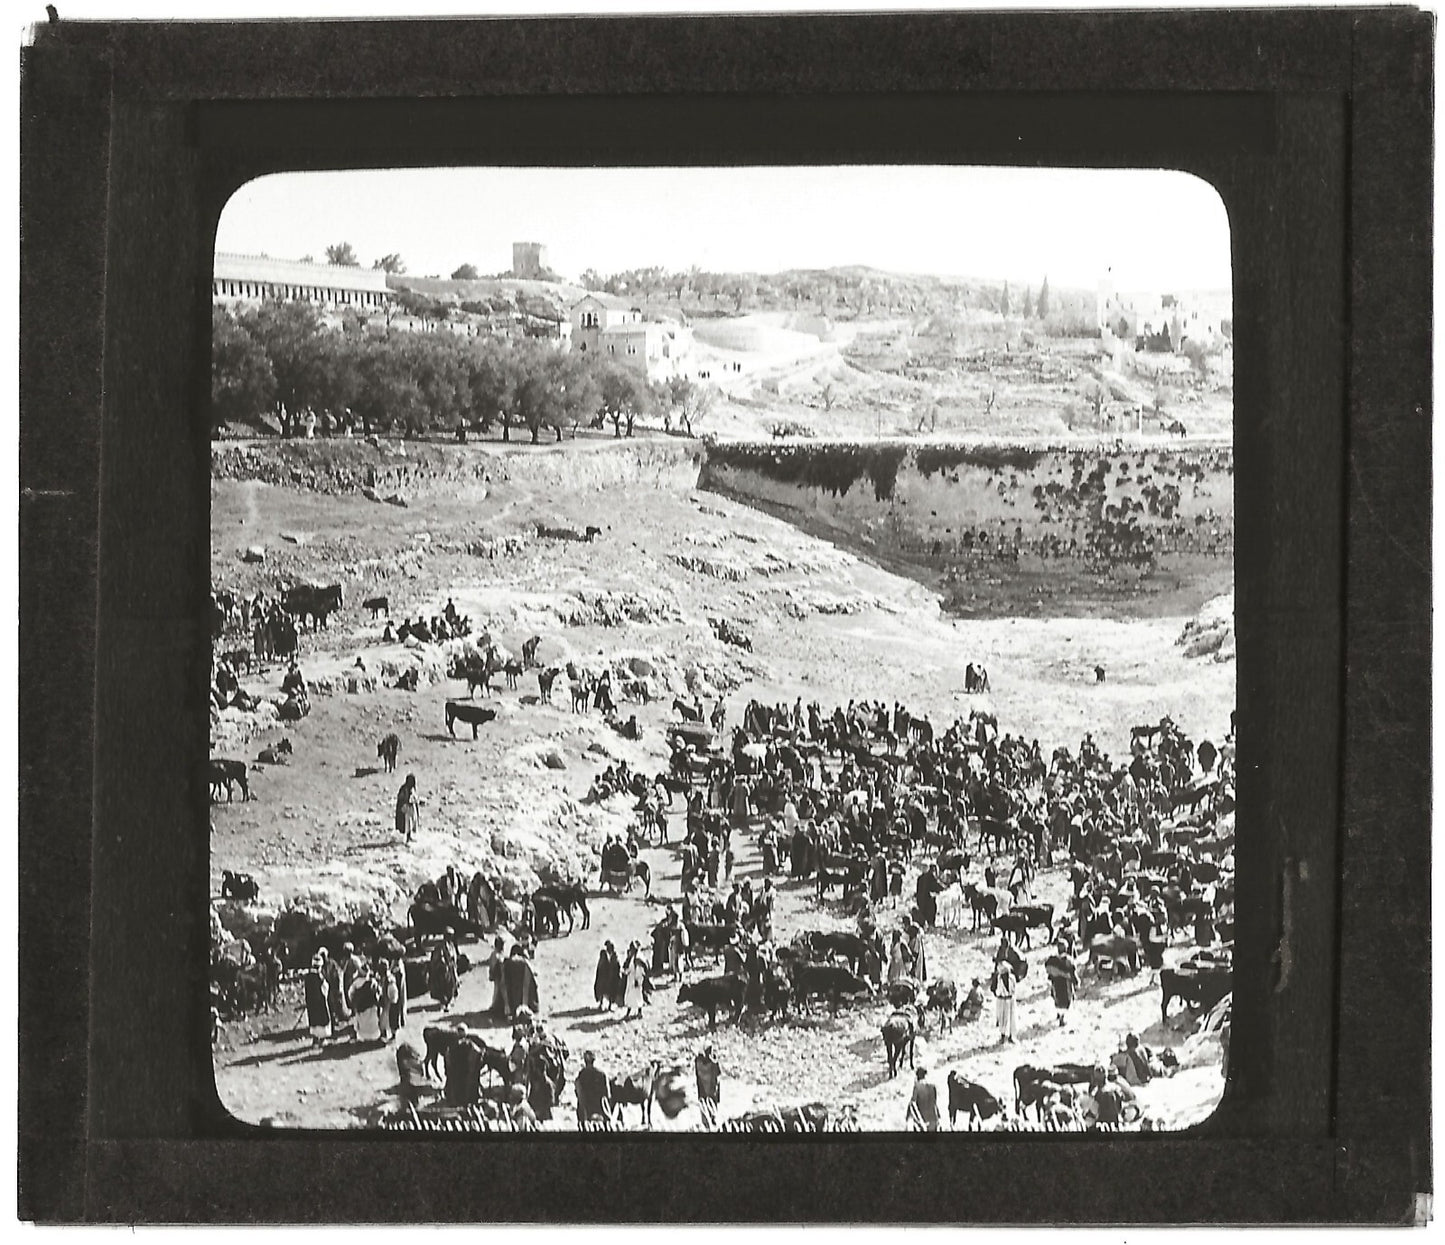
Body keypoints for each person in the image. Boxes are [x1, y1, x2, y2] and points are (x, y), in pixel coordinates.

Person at [1047, 941, 1079, 1028]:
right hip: (1065, 984)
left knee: (1057, 999)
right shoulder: (1068, 960)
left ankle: (1058, 1014)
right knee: (1065, 1001)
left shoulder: (1052, 960)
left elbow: (1049, 972)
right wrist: (1076, 982)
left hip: (1055, 984)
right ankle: (1061, 1019)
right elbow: (1073, 973)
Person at [575, 1051, 612, 1125]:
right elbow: (608, 1094)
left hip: (586, 1109)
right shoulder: (601, 1073)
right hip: (600, 1108)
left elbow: (578, 1092)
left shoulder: (581, 1074)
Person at [304, 950, 332, 1044]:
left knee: (314, 1020)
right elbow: (325, 989)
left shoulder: (308, 977)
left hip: (311, 1002)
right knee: (322, 1020)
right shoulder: (320, 977)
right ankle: (322, 1040)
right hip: (320, 1002)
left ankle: (315, 1040)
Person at [695, 1044, 722, 1128]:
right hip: (710, 1089)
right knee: (709, 1104)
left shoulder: (701, 1063)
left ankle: (708, 1121)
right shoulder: (711, 1064)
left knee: (706, 1104)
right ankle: (709, 1120)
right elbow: (718, 1073)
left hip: (707, 1089)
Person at [907, 1067, 942, 1131]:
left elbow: (913, 1105)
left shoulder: (917, 1087)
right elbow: (935, 1104)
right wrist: (938, 1119)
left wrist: (920, 1122)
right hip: (933, 1122)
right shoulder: (932, 1087)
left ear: (917, 1077)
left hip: (922, 1124)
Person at [620, 941, 647, 1020]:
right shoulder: (633, 958)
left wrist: (637, 980)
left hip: (636, 981)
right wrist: (626, 972)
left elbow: (640, 971)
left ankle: (635, 1013)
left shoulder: (638, 960)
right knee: (632, 997)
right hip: (631, 980)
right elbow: (631, 969)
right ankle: (637, 1013)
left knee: (635, 996)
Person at [994, 960, 1017, 1044]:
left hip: (1010, 1000)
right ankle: (1002, 1037)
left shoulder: (1012, 978)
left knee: (1011, 1018)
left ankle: (1011, 1036)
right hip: (1001, 1000)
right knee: (1002, 1018)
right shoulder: (998, 979)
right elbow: (994, 989)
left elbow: (1014, 989)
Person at [593, 940, 621, 1011]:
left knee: (611, 991)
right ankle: (602, 1004)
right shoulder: (604, 955)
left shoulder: (614, 956)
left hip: (611, 978)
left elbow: (616, 967)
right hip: (605, 977)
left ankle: (608, 1005)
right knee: (603, 990)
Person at [396, 774, 420, 845]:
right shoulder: (404, 789)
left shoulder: (412, 789)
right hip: (405, 810)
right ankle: (406, 839)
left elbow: (415, 797)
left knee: (412, 823)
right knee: (407, 824)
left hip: (411, 809)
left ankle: (409, 836)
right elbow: (401, 799)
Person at [486, 937, 507, 1015]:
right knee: (497, 990)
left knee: (499, 991)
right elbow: (494, 966)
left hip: (500, 975)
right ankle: (494, 1006)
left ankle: (497, 1006)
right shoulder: (495, 954)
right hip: (498, 975)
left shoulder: (499, 953)